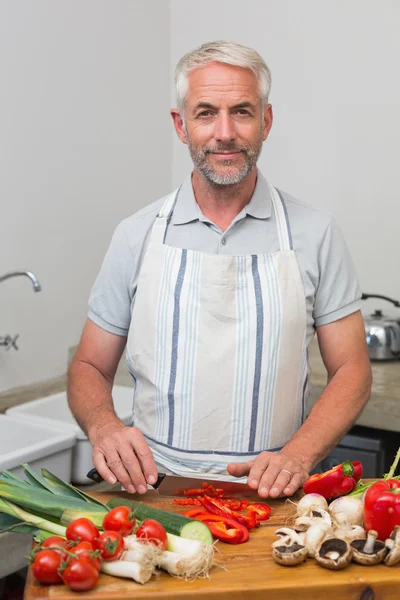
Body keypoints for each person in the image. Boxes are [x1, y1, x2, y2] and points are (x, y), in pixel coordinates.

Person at [68, 40, 372, 499]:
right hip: (155, 493)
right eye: (206, 112)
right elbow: (89, 364)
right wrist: (105, 426)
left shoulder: (316, 232)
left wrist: (298, 455)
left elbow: (352, 368)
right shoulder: (137, 235)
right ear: (181, 125)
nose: (224, 132)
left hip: (275, 497)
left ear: (266, 122)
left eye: (243, 112)